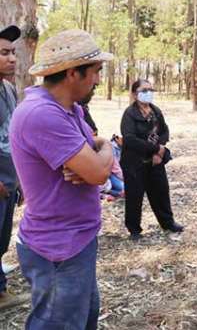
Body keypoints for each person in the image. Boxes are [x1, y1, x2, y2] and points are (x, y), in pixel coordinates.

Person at [9, 29, 114, 329]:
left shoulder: (69, 109)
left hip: (75, 240)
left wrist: (101, 150)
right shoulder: (42, 114)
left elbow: (98, 147)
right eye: (95, 71)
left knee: (82, 319)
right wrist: (97, 159)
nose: (98, 79)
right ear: (72, 73)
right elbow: (98, 171)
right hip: (58, 247)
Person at [120, 80, 183, 240]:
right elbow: (130, 139)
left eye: (150, 89)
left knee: (161, 191)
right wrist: (155, 149)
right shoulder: (129, 114)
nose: (148, 92)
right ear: (135, 94)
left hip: (155, 161)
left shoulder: (156, 111)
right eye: (144, 90)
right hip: (134, 162)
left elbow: (164, 131)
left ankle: (168, 223)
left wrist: (159, 151)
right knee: (135, 196)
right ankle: (134, 229)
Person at [0, 25, 28, 311]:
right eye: (4, 53)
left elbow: (13, 136)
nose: (12, 59)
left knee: (2, 237)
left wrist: (18, 179)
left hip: (9, 182)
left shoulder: (8, 89)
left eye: (13, 52)